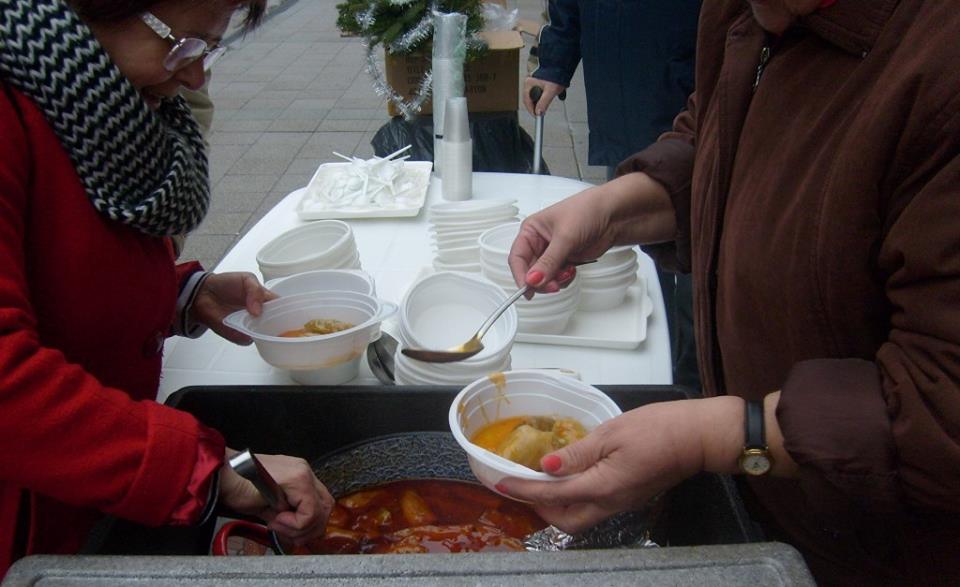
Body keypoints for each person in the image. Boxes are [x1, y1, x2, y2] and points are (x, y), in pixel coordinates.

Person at [502, 0, 960, 584]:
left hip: (887, 555)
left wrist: (720, 435)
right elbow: (725, 140)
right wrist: (616, 208)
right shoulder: (752, 12)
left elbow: (942, 408)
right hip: (773, 508)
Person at [0, 0, 333, 576]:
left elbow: (61, 269)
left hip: (93, 490)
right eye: (183, 45)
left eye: (210, 49)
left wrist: (180, 294)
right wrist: (206, 468)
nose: (197, 76)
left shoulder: (91, 104)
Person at [523, 0, 702, 389]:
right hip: (622, 95)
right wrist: (554, 62)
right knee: (634, 260)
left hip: (688, 84)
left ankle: (691, 380)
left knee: (698, 273)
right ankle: (654, 372)